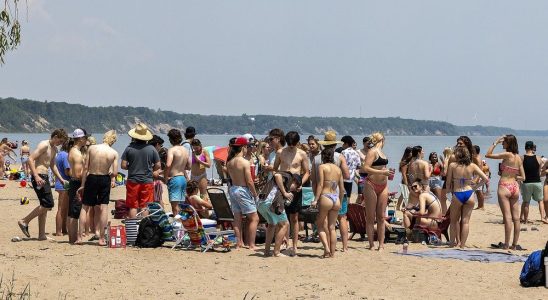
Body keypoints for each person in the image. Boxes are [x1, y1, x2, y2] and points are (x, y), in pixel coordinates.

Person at [17, 129, 68, 240]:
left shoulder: (54, 149)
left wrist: (61, 179)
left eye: (62, 142)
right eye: (60, 140)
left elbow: (53, 166)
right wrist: (36, 176)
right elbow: (30, 159)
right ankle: (24, 221)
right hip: (39, 176)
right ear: (55, 136)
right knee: (48, 204)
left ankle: (41, 235)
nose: (60, 143)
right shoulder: (44, 145)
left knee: (44, 205)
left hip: (45, 177)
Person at [78, 130, 118, 246]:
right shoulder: (114, 153)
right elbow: (115, 173)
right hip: (104, 178)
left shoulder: (92, 148)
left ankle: (80, 237)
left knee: (85, 206)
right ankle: (101, 238)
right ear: (113, 140)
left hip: (92, 177)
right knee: (104, 207)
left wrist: (82, 184)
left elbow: (86, 168)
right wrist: (109, 174)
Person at [272, 131, 309, 256]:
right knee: (282, 216)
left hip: (296, 186)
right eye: (289, 144)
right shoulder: (280, 152)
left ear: (297, 142)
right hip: (282, 185)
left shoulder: (302, 153)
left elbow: (307, 172)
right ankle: (284, 242)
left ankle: (294, 245)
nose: (291, 146)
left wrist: (300, 184)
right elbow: (275, 169)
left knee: (294, 217)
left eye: (293, 144)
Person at [485, 135, 525, 250]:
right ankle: (514, 244)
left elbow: (488, 155)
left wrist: (495, 142)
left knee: (507, 217)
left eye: (504, 142)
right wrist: (513, 175)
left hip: (504, 186)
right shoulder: (518, 157)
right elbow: (523, 177)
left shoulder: (507, 155)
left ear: (509, 144)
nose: (503, 144)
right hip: (515, 187)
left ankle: (506, 244)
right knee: (516, 218)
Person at [446, 146, 488, 248]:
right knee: (465, 222)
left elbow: (448, 182)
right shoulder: (472, 166)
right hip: (469, 193)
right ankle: (463, 246)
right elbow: (485, 178)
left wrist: (448, 192)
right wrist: (475, 187)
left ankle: (452, 243)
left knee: (453, 220)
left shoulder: (452, 165)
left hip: (458, 193)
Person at [361, 132, 394, 251]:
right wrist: (382, 172)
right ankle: (371, 244)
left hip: (384, 185)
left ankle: (381, 244)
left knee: (381, 217)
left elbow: (380, 167)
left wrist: (387, 173)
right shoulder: (372, 151)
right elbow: (365, 168)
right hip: (371, 184)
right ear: (382, 140)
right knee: (370, 217)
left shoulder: (382, 153)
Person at [121, 123, 160, 218]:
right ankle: (143, 227)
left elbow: (123, 165)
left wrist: (131, 167)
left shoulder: (129, 148)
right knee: (145, 206)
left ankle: (133, 228)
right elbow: (158, 165)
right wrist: (151, 170)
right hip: (147, 181)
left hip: (133, 180)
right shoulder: (151, 149)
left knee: (133, 206)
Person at [227, 136, 259, 250]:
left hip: (233, 189)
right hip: (242, 189)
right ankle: (251, 244)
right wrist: (255, 194)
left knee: (237, 218)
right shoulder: (244, 162)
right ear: (243, 147)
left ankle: (239, 243)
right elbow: (249, 181)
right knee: (254, 218)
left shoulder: (229, 162)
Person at [311, 147, 344, 258]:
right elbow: (342, 188)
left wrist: (315, 199)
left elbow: (320, 184)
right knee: (332, 227)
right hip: (336, 198)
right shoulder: (338, 169)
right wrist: (340, 199)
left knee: (319, 225)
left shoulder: (322, 167)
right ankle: (332, 253)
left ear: (323, 157)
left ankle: (326, 248)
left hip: (325, 196)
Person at [257, 172, 298, 257]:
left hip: (262, 203)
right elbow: (277, 175)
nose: (294, 189)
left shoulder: (284, 184)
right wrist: (285, 193)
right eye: (296, 186)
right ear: (294, 180)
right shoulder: (289, 176)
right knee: (285, 224)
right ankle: (276, 252)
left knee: (272, 224)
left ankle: (267, 251)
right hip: (271, 202)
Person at [339, 135, 361, 252]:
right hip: (351, 178)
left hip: (343, 177)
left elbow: (341, 164)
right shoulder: (356, 153)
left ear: (346, 143)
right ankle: (345, 215)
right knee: (347, 198)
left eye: (343, 143)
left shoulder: (343, 152)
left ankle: (343, 216)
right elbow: (359, 165)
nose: (342, 145)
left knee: (342, 198)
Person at [67, 128, 89, 244]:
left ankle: (72, 239)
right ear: (81, 139)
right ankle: (73, 239)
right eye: (85, 138)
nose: (86, 140)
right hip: (76, 183)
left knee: (72, 212)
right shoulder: (77, 154)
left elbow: (72, 172)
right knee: (75, 212)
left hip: (73, 182)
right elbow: (78, 173)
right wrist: (87, 179)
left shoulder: (72, 151)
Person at [165, 129, 191, 216]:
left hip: (175, 178)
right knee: (181, 205)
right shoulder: (185, 150)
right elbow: (189, 166)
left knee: (174, 206)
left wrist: (165, 177)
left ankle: (178, 225)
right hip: (183, 178)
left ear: (171, 139)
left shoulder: (172, 150)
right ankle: (183, 224)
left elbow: (168, 165)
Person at [520, 141, 544, 224]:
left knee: (526, 202)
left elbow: (519, 170)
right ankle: (542, 218)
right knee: (540, 200)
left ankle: (525, 220)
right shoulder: (539, 158)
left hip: (526, 183)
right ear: (533, 148)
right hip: (537, 182)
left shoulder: (522, 158)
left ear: (525, 148)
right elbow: (539, 172)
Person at [53, 139, 72, 236]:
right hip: (64, 183)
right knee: (62, 209)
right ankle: (59, 231)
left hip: (59, 182)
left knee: (64, 209)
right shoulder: (65, 155)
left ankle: (63, 229)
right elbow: (67, 171)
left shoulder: (59, 154)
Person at [406, 146, 431, 211]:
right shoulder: (424, 163)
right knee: (423, 208)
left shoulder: (411, 164)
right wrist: (431, 170)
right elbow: (427, 176)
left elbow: (409, 175)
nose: (423, 152)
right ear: (418, 153)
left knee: (412, 207)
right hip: (424, 187)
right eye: (422, 151)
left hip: (414, 186)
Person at [148, 135, 166, 209]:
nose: (161, 148)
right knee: (158, 200)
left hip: (150, 180)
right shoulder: (155, 154)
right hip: (155, 181)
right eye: (160, 145)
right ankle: (162, 214)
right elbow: (155, 171)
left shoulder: (148, 152)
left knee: (153, 200)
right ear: (157, 144)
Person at [396, 147, 412, 211]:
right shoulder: (404, 162)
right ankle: (399, 206)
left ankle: (402, 205)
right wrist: (406, 183)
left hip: (409, 180)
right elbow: (404, 174)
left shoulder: (410, 161)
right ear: (408, 153)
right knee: (404, 194)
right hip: (406, 180)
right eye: (411, 152)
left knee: (403, 194)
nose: (412, 154)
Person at [473, 145, 486, 210]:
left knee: (479, 191)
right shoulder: (478, 156)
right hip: (479, 175)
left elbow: (479, 168)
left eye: (472, 149)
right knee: (478, 191)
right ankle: (480, 205)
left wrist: (477, 178)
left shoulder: (476, 158)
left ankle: (481, 205)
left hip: (477, 175)